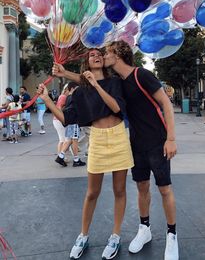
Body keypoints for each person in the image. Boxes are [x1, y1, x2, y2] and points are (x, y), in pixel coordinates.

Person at [52, 41, 178, 260]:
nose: (102, 55)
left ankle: (170, 236)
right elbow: (88, 82)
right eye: (97, 54)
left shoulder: (136, 77)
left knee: (163, 189)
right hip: (132, 141)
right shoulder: (110, 83)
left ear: (116, 55)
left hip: (152, 140)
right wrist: (64, 74)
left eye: (106, 52)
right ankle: (143, 229)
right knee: (140, 187)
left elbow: (164, 104)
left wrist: (171, 138)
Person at [38, 48, 134, 260]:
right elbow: (66, 118)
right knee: (92, 192)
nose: (96, 56)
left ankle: (115, 236)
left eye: (99, 53)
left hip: (118, 136)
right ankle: (83, 235)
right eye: (91, 55)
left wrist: (96, 84)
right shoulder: (80, 92)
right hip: (98, 138)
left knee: (119, 190)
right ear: (86, 63)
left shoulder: (115, 82)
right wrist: (47, 100)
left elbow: (117, 107)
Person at [55, 81, 86, 167]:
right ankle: (76, 160)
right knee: (74, 140)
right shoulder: (74, 97)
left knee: (69, 140)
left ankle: (60, 156)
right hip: (74, 121)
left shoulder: (68, 97)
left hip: (69, 122)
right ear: (72, 88)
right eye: (77, 88)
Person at [53, 84, 69, 155]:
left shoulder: (62, 96)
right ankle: (60, 156)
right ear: (66, 90)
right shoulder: (63, 97)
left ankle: (61, 155)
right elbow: (60, 108)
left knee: (63, 139)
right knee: (63, 140)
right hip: (59, 120)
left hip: (57, 119)